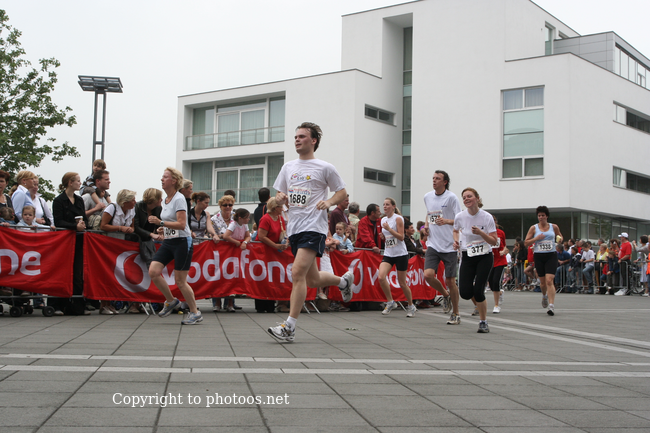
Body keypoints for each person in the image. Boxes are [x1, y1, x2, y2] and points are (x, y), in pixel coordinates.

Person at [267, 122, 354, 342]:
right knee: (313, 280)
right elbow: (279, 194)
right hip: (295, 228)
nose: (297, 139)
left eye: (302, 136)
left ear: (313, 141)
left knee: (297, 273)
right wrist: (280, 198)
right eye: (296, 137)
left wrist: (329, 202)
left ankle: (289, 327)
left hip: (314, 227)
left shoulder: (324, 167)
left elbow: (342, 192)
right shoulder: (288, 167)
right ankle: (343, 282)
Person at [147, 167, 202, 325]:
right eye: (162, 176)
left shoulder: (179, 199)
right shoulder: (166, 200)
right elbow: (171, 224)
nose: (162, 179)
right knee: (153, 271)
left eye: (165, 177)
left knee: (180, 281)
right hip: (169, 241)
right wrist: (163, 229)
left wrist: (160, 223)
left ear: (174, 181)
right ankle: (171, 301)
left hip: (182, 242)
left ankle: (195, 312)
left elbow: (181, 224)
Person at [452, 188, 497, 333]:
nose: (466, 199)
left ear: (477, 198)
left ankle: (483, 322)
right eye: (464, 197)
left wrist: (481, 233)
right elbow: (455, 230)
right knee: (465, 292)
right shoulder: (460, 216)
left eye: (469, 196)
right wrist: (456, 241)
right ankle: (478, 304)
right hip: (467, 255)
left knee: (478, 291)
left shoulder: (486, 217)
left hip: (484, 256)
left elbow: (494, 241)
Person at [423, 170, 461, 324]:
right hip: (433, 244)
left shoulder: (452, 198)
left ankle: (456, 313)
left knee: (450, 281)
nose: (434, 180)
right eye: (433, 178)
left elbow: (460, 220)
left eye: (437, 178)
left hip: (449, 245)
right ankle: (445, 295)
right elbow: (429, 213)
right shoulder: (427, 196)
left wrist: (446, 221)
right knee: (428, 275)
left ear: (445, 182)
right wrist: (426, 226)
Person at [51, 172, 89, 316]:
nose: (80, 183)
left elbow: (84, 217)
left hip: (78, 240)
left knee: (78, 272)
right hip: (64, 241)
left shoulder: (79, 200)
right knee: (62, 271)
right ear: (70, 182)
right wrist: (74, 226)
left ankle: (77, 304)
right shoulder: (59, 200)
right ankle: (57, 304)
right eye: (78, 181)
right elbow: (58, 221)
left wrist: (83, 224)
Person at [378, 198, 416, 317]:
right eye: (384, 204)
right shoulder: (383, 220)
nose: (385, 206)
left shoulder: (398, 219)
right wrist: (383, 237)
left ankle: (411, 306)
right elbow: (388, 237)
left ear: (393, 206)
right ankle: (390, 302)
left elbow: (401, 237)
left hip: (400, 254)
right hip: (389, 253)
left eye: (387, 204)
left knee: (402, 283)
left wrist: (389, 230)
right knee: (381, 277)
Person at [524, 206, 563, 315]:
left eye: (543, 215)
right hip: (539, 256)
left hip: (551, 255)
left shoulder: (554, 227)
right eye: (539, 215)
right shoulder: (534, 228)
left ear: (547, 216)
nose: (541, 217)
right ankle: (544, 295)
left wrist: (560, 239)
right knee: (542, 283)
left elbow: (560, 236)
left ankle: (551, 306)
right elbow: (526, 242)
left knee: (549, 280)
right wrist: (536, 238)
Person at [487, 216, 507, 313]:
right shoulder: (485, 233)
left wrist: (503, 251)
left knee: (496, 281)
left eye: (493, 221)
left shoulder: (501, 233)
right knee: (491, 283)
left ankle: (496, 305)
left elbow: (505, 246)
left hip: (500, 260)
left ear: (495, 222)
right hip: (490, 260)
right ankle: (500, 292)